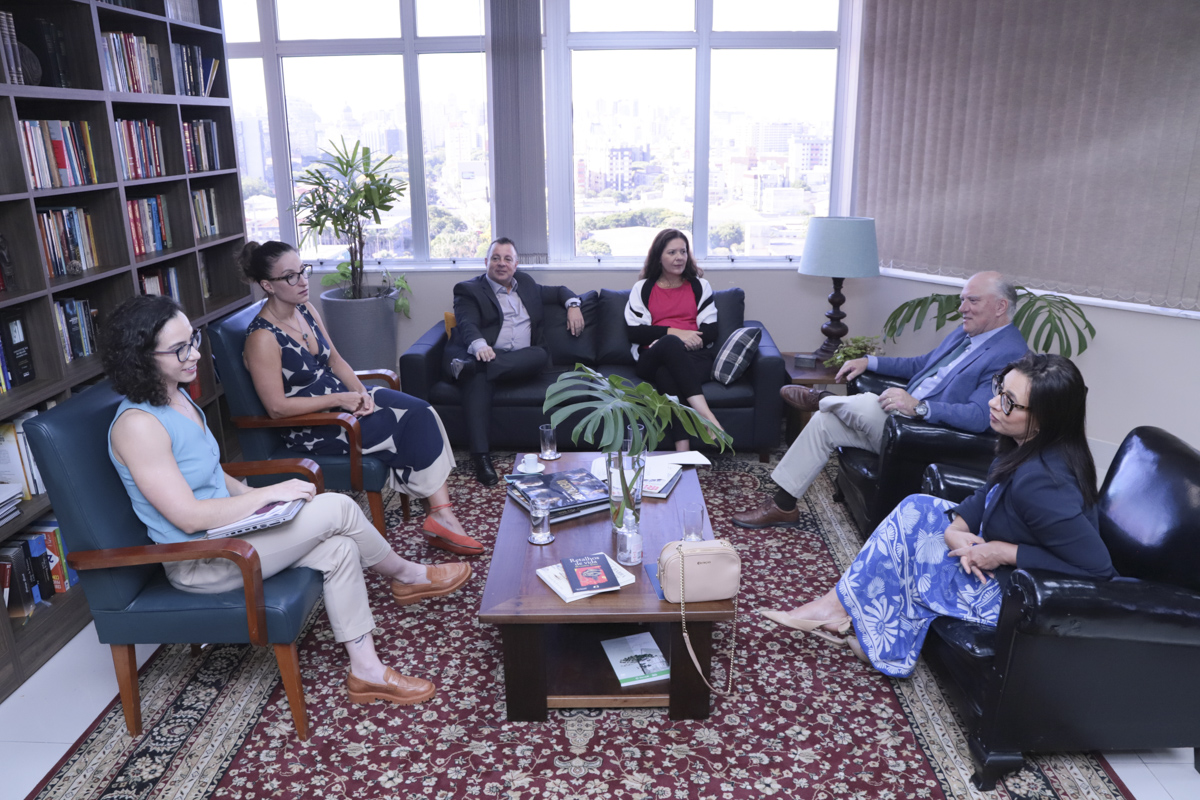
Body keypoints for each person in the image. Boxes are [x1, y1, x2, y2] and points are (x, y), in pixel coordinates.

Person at [102, 295, 472, 704]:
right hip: (201, 559)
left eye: (193, 340)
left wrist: (261, 503)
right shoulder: (138, 425)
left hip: (229, 535)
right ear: (140, 357)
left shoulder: (176, 395)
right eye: (179, 349)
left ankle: (366, 671)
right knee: (340, 508)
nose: (194, 355)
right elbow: (187, 517)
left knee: (340, 548)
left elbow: (212, 475)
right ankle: (407, 576)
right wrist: (272, 492)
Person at [758, 353, 1116, 676]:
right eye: (999, 390)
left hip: (1019, 594)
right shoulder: (1024, 446)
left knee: (915, 548)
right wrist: (956, 529)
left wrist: (1004, 552)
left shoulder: (1044, 484)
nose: (993, 403)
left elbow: (1096, 570)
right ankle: (854, 621)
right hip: (1001, 565)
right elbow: (987, 494)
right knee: (920, 508)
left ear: (1042, 419)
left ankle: (845, 617)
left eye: (1008, 402)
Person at [240, 241, 484, 556]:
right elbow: (276, 408)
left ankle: (440, 515)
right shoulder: (262, 338)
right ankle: (442, 518)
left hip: (343, 403)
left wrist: (359, 393)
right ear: (266, 285)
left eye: (303, 271)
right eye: (290, 276)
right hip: (316, 426)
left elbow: (336, 361)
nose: (302, 281)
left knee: (422, 411)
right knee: (406, 425)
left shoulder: (306, 310)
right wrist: (342, 401)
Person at [734, 271, 1029, 528]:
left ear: (1001, 306)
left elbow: (979, 416)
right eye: (962, 299)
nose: (962, 308)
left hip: (929, 433)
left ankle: (821, 397)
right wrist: (869, 361)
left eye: (972, 301)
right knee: (825, 422)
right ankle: (783, 506)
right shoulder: (967, 334)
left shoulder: (1007, 353)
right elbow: (922, 364)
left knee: (865, 404)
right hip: (902, 421)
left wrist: (920, 407)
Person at [445, 237, 585, 485]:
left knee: (539, 354)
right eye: (496, 258)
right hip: (484, 353)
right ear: (486, 261)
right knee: (478, 380)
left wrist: (573, 304)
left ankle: (472, 368)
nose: (501, 264)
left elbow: (559, 291)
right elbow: (467, 323)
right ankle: (482, 458)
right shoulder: (468, 289)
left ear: (516, 264)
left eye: (507, 259)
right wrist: (479, 345)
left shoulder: (527, 285)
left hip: (521, 361)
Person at [624, 229, 725, 451]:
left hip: (694, 357)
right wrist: (676, 333)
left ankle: (683, 450)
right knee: (669, 344)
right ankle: (706, 416)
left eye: (683, 251)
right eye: (672, 252)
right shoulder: (643, 288)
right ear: (659, 256)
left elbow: (711, 331)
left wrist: (688, 340)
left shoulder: (700, 286)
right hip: (652, 357)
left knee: (667, 374)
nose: (679, 257)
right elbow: (635, 332)